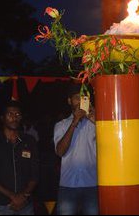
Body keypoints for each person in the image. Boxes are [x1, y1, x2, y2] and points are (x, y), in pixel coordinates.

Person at [0, 100, 39, 215]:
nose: (14, 118)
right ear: (2, 118)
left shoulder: (29, 141)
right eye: (10, 114)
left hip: (25, 204)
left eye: (17, 114)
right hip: (1, 205)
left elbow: (35, 173)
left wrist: (23, 196)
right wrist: (13, 196)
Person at [54, 85, 98, 215]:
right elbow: (60, 151)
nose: (80, 101)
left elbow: (112, 144)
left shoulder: (97, 123)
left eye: (84, 98)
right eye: (77, 98)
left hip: (92, 184)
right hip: (68, 185)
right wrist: (74, 122)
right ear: (69, 101)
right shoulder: (61, 125)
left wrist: (96, 120)